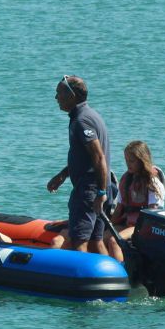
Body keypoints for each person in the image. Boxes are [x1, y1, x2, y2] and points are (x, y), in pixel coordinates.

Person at [47, 75, 114, 257]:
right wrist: (63, 175)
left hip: (90, 190)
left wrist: (100, 193)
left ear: (72, 95)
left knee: (79, 240)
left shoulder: (82, 120)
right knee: (95, 240)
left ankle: (80, 281)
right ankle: (110, 279)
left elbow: (98, 157)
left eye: (59, 93)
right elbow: (85, 157)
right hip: (101, 185)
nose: (56, 98)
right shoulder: (89, 115)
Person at [109, 140, 165, 240]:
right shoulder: (126, 180)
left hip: (144, 227)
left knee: (114, 241)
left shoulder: (153, 183)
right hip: (127, 223)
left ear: (141, 161)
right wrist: (109, 226)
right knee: (101, 238)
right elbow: (119, 208)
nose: (128, 164)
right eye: (126, 160)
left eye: (131, 161)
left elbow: (153, 214)